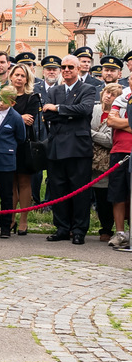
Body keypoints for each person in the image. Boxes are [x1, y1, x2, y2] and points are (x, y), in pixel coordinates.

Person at [42, 54, 95, 244]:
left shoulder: (88, 89)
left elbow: (85, 110)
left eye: (70, 67)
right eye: (63, 67)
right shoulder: (55, 90)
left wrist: (57, 109)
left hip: (78, 149)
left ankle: (79, 230)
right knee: (58, 189)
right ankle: (62, 228)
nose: (66, 70)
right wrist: (66, 113)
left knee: (79, 191)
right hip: (56, 147)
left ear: (79, 69)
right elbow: (47, 116)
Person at [0, 86, 26, 239]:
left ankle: (5, 227)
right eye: (0, 99)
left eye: (6, 101)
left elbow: (21, 137)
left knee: (7, 195)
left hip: (6, 160)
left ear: (13, 103)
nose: (1, 104)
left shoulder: (15, 117)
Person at [8, 62, 42, 235]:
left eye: (22, 76)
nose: (19, 78)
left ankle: (23, 220)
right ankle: (11, 218)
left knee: (24, 182)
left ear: (27, 79)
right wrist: (18, 117)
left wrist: (14, 117)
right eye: (16, 75)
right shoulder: (4, 96)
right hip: (7, 144)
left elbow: (29, 119)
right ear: (11, 77)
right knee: (11, 182)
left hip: (24, 144)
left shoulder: (32, 97)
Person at [91, 83, 120, 241]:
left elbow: (109, 140)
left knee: (104, 198)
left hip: (106, 163)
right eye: (107, 92)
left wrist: (89, 133)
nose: (108, 96)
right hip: (88, 160)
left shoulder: (117, 114)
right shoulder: (94, 110)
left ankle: (107, 228)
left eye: (113, 94)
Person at [105, 80, 131, 247]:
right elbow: (111, 121)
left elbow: (118, 122)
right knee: (118, 194)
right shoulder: (122, 97)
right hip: (120, 150)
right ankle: (120, 232)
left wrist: (123, 123)